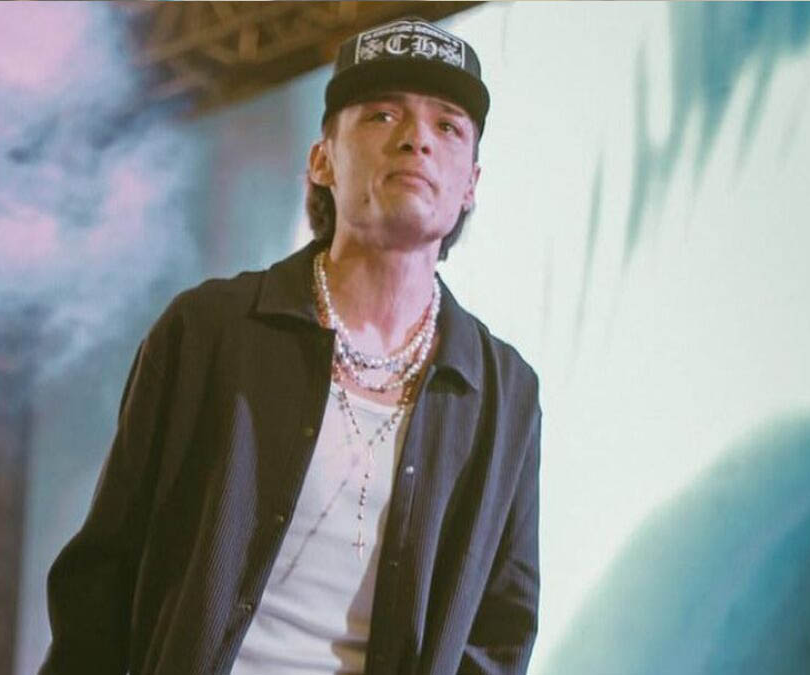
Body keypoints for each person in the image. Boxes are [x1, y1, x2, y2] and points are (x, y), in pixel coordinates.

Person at [39, 16, 540, 675]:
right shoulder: (209, 331)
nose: (417, 138)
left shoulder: (502, 392)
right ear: (322, 159)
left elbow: (500, 629)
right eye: (382, 115)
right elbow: (102, 578)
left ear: (470, 182)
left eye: (448, 126)